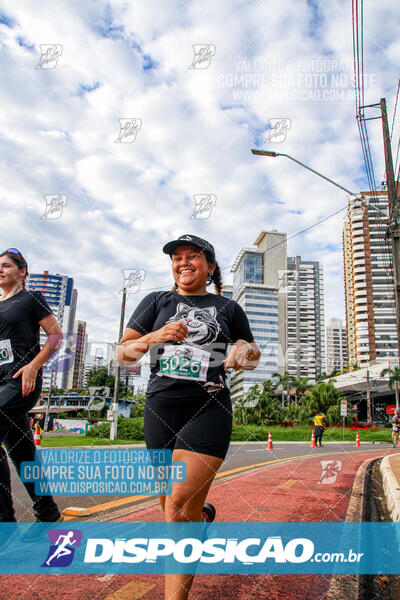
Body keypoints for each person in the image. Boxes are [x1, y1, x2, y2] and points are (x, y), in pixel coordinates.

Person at [117, 234, 260, 600]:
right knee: (171, 506)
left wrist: (244, 349)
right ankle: (203, 520)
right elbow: (124, 354)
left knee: (178, 505)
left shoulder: (228, 307)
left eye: (193, 256)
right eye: (177, 257)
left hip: (208, 406)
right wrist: (155, 336)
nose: (183, 263)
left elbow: (251, 349)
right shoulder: (156, 301)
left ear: (209, 266)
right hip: (160, 408)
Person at [0, 248, 63, 536]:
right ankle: (48, 513)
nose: (0, 270)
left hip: (20, 380)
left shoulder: (30, 299)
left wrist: (34, 366)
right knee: (21, 449)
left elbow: (56, 335)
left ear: (22, 271)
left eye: (6, 265)